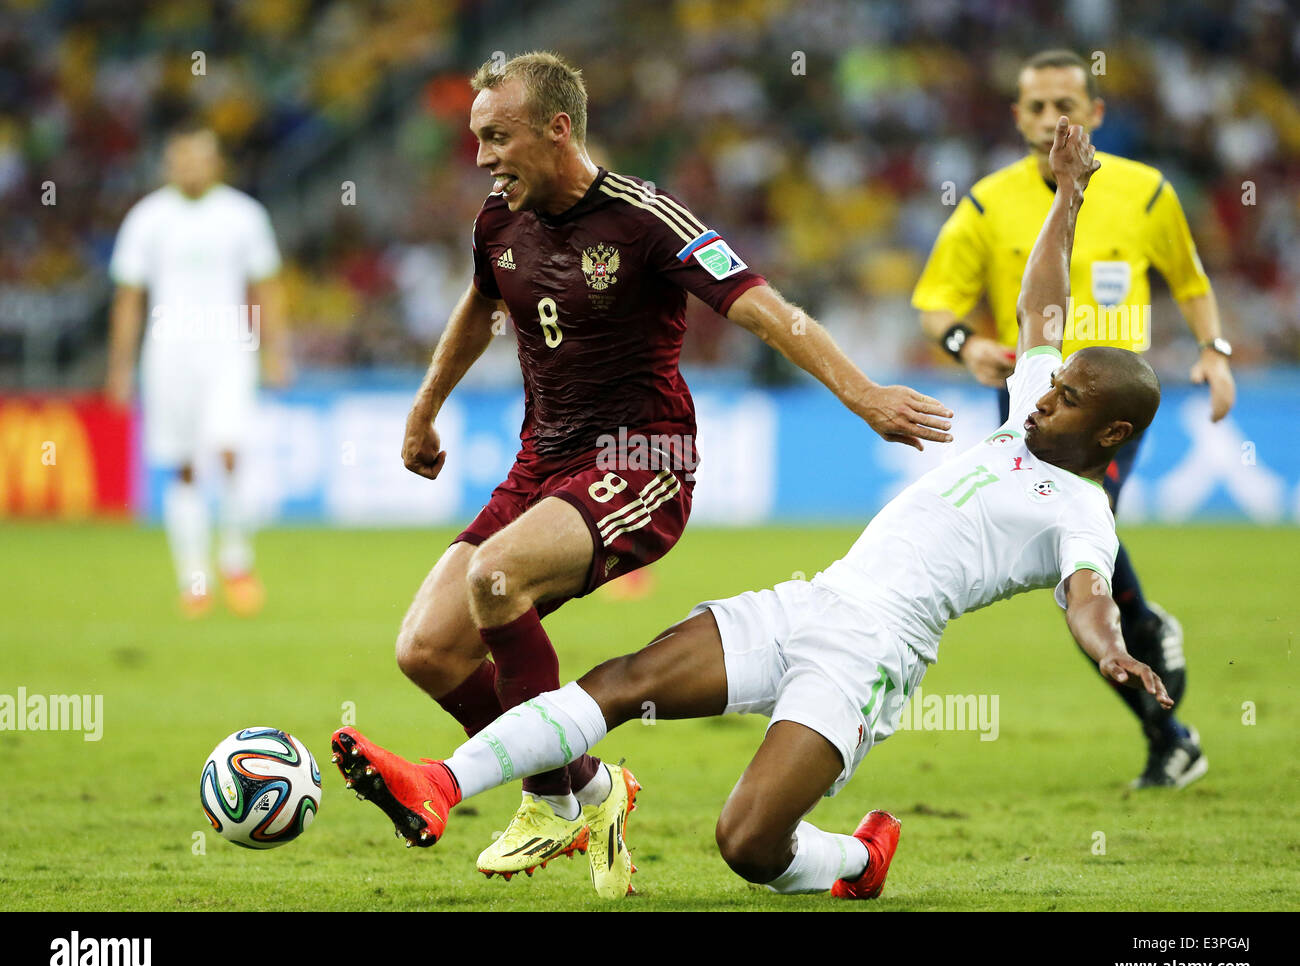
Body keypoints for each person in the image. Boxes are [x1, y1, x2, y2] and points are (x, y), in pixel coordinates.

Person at [332, 119, 1173, 900]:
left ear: (1113, 431)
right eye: (1053, 382)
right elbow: (1042, 306)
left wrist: (1110, 653)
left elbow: (1091, 594)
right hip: (811, 600)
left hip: (874, 654)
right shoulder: (1031, 395)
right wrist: (1068, 195)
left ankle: (857, 856)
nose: (1040, 398)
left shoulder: (1082, 512)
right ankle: (442, 782)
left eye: (1064, 400)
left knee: (747, 843)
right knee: (621, 682)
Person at [385, 51, 954, 898]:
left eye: (496, 137)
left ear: (557, 128)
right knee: (426, 648)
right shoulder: (497, 221)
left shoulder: (646, 219)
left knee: (495, 577)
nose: (482, 158)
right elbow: (483, 301)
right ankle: (588, 786)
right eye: (475, 139)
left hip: (644, 457)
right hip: (542, 458)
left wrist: (864, 394)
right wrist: (426, 406)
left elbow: (766, 309)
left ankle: (551, 801)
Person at [912, 49, 1228, 788]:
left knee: (1079, 548)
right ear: (1017, 116)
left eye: (1067, 104)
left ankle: (1154, 675)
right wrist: (969, 344)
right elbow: (934, 304)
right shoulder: (987, 204)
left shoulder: (1148, 193)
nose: (1054, 117)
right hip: (1030, 399)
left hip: (1112, 411)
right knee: (1078, 558)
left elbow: (1191, 280)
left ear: (1096, 113)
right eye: (1037, 105)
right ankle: (1155, 669)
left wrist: (1215, 351)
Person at [106, 125, 290, 618]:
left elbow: (265, 286)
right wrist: (120, 367)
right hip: (167, 354)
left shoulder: (243, 216)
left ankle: (235, 560)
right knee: (183, 466)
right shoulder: (147, 218)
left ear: (217, 163)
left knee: (230, 450)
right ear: (169, 163)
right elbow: (128, 296)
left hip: (229, 348)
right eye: (181, 158)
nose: (189, 166)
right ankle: (194, 579)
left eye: (199, 157)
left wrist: (276, 349)